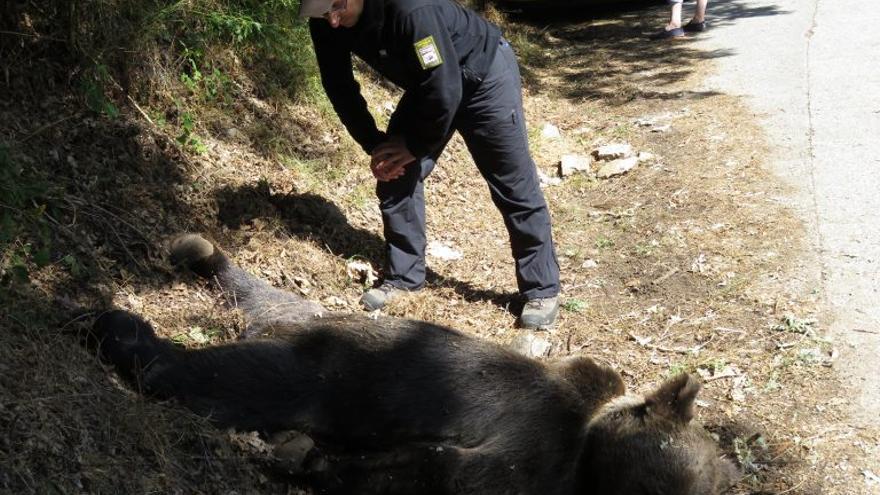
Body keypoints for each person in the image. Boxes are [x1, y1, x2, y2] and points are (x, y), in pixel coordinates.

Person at [299, 0, 561, 328]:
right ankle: (404, 280)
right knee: (395, 172)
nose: (333, 20)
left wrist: (416, 145)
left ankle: (542, 290)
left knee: (513, 183)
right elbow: (338, 86)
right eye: (324, 13)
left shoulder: (410, 10)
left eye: (337, 6)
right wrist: (376, 144)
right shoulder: (326, 22)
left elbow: (446, 86)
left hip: (484, 76)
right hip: (431, 85)